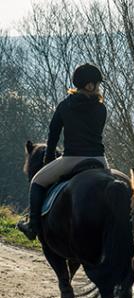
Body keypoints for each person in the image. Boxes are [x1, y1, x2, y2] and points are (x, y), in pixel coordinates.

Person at [18, 63, 109, 240]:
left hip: (72, 159)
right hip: (100, 160)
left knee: (37, 181)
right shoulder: (101, 108)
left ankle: (33, 226)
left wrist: (48, 160)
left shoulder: (64, 106)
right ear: (90, 85)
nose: (98, 87)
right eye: (97, 84)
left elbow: (52, 136)